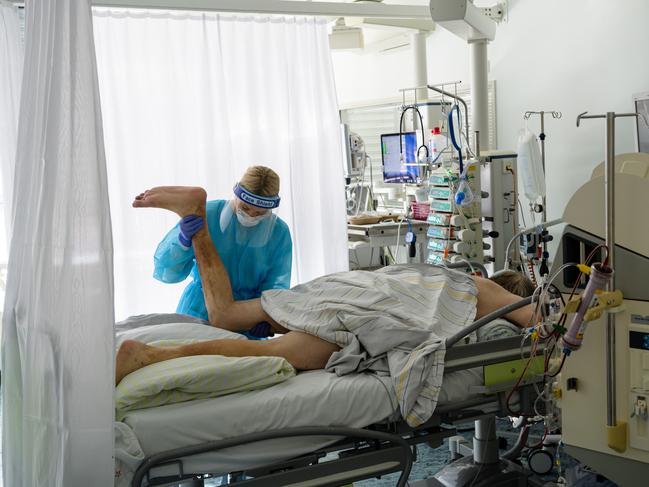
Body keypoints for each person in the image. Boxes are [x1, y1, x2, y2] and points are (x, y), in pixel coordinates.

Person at [117, 186, 535, 385]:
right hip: (364, 310)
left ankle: (195, 222)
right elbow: (537, 315)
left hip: (341, 289)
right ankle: (152, 356)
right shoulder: (477, 288)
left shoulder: (436, 274)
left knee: (225, 315)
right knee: (274, 351)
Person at [151, 166, 292, 338]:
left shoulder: (279, 232)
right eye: (245, 208)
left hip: (247, 317)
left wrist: (267, 317)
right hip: (200, 309)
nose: (251, 216)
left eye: (260, 213)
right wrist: (182, 242)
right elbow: (167, 271)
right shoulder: (207, 214)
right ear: (236, 195)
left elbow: (276, 285)